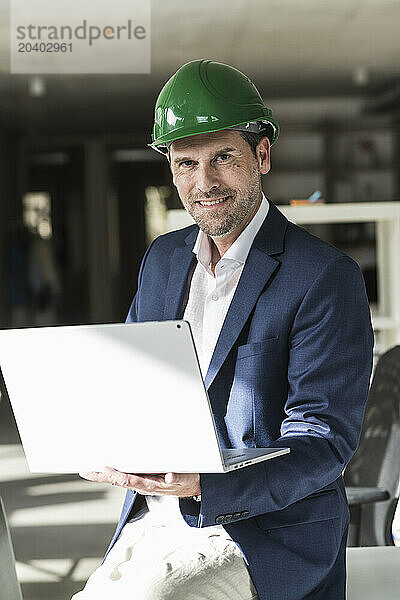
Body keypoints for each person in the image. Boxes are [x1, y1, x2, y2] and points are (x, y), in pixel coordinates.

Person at [74, 60, 374, 600]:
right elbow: (130, 378)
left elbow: (322, 442)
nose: (204, 183)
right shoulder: (164, 259)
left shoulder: (325, 277)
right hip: (159, 519)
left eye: (223, 158)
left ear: (262, 155)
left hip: (266, 535)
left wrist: (209, 484)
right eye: (186, 163)